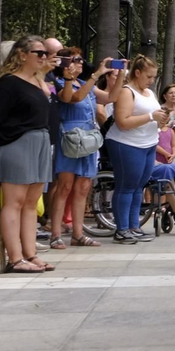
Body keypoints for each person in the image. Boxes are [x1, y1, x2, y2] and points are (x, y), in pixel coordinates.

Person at [0, 37, 57, 273]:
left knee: (32, 202)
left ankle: (30, 253)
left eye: (45, 53)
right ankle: (15, 257)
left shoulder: (37, 81)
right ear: (23, 54)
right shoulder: (8, 83)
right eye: (39, 53)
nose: (44, 57)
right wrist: (8, 138)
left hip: (40, 141)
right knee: (14, 201)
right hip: (17, 143)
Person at [47, 50, 112, 249]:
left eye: (80, 59)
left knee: (83, 187)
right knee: (65, 186)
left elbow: (111, 97)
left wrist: (119, 76)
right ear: (64, 64)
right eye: (75, 60)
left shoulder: (85, 84)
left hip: (89, 138)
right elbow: (71, 99)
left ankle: (78, 233)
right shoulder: (58, 83)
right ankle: (56, 233)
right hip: (70, 137)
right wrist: (96, 75)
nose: (80, 63)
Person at [105, 56, 169, 246]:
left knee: (139, 186)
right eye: (148, 76)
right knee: (126, 186)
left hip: (148, 143)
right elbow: (123, 122)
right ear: (137, 73)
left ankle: (134, 226)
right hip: (127, 144)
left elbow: (154, 116)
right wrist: (150, 116)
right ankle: (122, 228)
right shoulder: (127, 91)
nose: (151, 80)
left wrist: (161, 119)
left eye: (154, 77)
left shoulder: (149, 92)